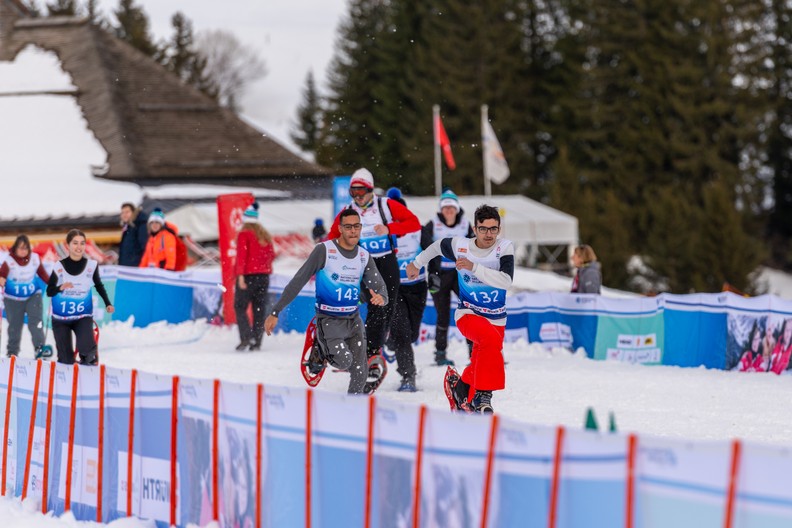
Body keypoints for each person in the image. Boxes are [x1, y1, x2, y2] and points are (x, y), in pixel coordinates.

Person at [264, 208, 389, 394]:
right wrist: (275, 311)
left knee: (360, 370)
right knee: (344, 361)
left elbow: (380, 286)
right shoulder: (325, 251)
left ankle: (353, 409)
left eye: (357, 226)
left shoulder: (364, 256)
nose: (353, 231)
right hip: (328, 319)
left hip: (353, 320)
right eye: (348, 227)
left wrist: (382, 297)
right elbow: (299, 279)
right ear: (340, 229)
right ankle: (320, 350)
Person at [407, 205, 514, 414]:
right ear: (474, 228)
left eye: (493, 229)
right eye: (483, 229)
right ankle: (483, 396)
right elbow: (436, 246)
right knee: (490, 343)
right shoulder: (460, 245)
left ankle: (461, 388)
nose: (489, 234)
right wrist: (416, 263)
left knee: (481, 359)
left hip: (496, 318)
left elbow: (505, 281)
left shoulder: (504, 247)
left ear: (499, 229)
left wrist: (473, 267)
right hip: (468, 314)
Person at [327, 168, 420, 362]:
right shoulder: (348, 211)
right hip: (364, 264)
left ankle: (379, 345)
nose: (357, 197)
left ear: (370, 190)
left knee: (388, 308)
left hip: (387, 261)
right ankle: (369, 352)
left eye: (361, 191)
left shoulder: (386, 205)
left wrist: (389, 228)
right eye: (353, 192)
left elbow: (414, 223)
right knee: (375, 307)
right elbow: (333, 236)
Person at [421, 189, 474, 366]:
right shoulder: (433, 224)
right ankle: (440, 353)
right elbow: (422, 242)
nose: (449, 211)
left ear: (457, 209)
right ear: (441, 210)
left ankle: (474, 352)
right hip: (440, 274)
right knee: (442, 314)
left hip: (460, 274)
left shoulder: (465, 225)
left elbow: (476, 245)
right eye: (446, 207)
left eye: (452, 207)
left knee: (470, 310)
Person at [46, 229, 114, 365]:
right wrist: (61, 287)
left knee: (87, 353)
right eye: (75, 243)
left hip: (82, 316)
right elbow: (50, 291)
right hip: (61, 319)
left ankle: (89, 365)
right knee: (66, 360)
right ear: (68, 245)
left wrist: (107, 303)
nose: (79, 247)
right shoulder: (59, 266)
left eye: (82, 243)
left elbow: (99, 285)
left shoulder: (91, 265)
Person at [385, 190, 426, 392]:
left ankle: (391, 341)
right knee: (402, 331)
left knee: (411, 335)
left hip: (417, 288)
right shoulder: (382, 233)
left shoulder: (417, 229)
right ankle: (408, 376)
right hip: (394, 289)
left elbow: (432, 252)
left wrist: (435, 275)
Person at [0, 235, 51, 358]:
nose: (23, 251)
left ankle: (40, 349)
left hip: (32, 296)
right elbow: (2, 274)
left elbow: (44, 275)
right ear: (15, 248)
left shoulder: (34, 259)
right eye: (20, 248)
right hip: (13, 299)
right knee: (15, 326)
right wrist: (1, 280)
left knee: (36, 323)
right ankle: (12, 352)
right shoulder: (9, 260)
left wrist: (54, 286)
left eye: (26, 248)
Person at [234, 202, 275, 351]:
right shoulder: (264, 235)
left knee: (239, 306)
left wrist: (240, 276)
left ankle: (246, 337)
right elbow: (272, 255)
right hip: (263, 277)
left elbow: (241, 257)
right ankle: (257, 341)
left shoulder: (244, 234)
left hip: (248, 276)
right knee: (259, 309)